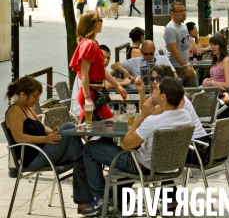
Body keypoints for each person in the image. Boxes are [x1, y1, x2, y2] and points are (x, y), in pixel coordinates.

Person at [82, 77, 193, 217]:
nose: (153, 92)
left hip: (142, 166)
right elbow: (160, 114)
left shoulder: (153, 121)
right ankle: (115, 200)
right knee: (111, 148)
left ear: (163, 96)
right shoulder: (185, 116)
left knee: (89, 148)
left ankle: (100, 200)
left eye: (156, 90)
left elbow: (125, 145)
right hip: (170, 165)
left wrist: (141, 116)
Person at [5, 76, 91, 213]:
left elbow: (44, 129)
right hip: (33, 159)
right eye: (35, 96)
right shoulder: (15, 110)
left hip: (43, 151)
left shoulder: (28, 108)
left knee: (78, 154)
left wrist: (54, 133)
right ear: (22, 94)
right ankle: (87, 200)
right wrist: (45, 140)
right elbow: (19, 137)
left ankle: (84, 202)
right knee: (70, 127)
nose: (38, 100)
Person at [69, 11, 127, 122]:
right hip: (91, 93)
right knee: (107, 126)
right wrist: (87, 97)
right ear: (94, 23)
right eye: (101, 20)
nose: (102, 23)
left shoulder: (91, 43)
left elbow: (101, 70)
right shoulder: (90, 44)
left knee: (88, 128)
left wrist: (117, 86)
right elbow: (84, 72)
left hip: (94, 93)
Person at [163, 2, 197, 86]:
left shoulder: (184, 25)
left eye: (184, 10)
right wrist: (184, 66)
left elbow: (186, 43)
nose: (183, 13)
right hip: (177, 67)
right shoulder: (170, 29)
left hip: (187, 65)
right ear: (172, 13)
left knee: (195, 91)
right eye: (180, 11)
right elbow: (173, 49)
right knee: (177, 94)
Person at [111, 40, 176, 80]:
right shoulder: (136, 61)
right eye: (146, 54)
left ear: (154, 50)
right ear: (141, 52)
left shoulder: (163, 59)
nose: (149, 57)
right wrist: (124, 70)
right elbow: (114, 65)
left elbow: (175, 75)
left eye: (151, 53)